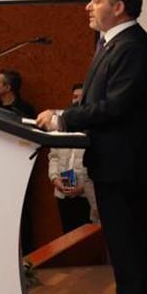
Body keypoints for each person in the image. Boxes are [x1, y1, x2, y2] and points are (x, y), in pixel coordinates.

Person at [35, 0, 147, 294]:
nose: (87, 7)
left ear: (118, 7)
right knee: (122, 243)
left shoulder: (133, 47)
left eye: (96, 0)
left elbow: (116, 106)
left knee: (130, 243)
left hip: (127, 166)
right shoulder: (112, 43)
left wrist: (64, 117)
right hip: (114, 164)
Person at [47, 84, 98, 232]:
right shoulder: (64, 123)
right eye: (74, 97)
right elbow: (53, 156)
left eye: (80, 97)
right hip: (63, 191)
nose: (77, 101)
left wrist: (83, 188)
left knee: (87, 235)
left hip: (86, 194)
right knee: (68, 233)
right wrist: (55, 179)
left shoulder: (94, 126)